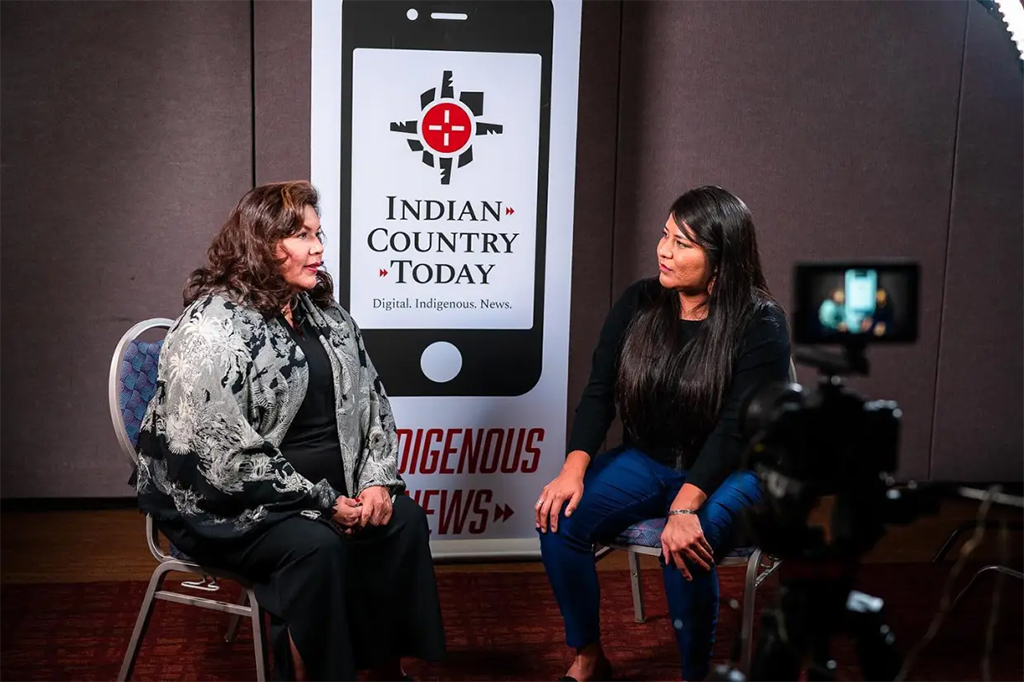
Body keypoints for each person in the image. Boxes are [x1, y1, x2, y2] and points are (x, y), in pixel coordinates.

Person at [134, 181, 445, 681]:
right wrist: (321, 502)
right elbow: (220, 458)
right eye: (301, 236)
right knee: (314, 546)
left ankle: (387, 673)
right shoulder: (211, 330)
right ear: (259, 244)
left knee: (401, 520)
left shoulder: (325, 315)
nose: (318, 248)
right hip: (230, 502)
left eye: (317, 234)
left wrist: (376, 482)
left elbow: (373, 405)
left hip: (330, 491)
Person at [535, 186, 791, 681]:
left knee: (684, 544)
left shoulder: (761, 322)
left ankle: (696, 674)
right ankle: (588, 658)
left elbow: (738, 427)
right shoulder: (640, 301)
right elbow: (599, 392)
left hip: (732, 471)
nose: (664, 251)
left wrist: (685, 506)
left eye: (682, 243)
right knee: (559, 517)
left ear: (721, 258)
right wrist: (573, 469)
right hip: (649, 459)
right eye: (665, 234)